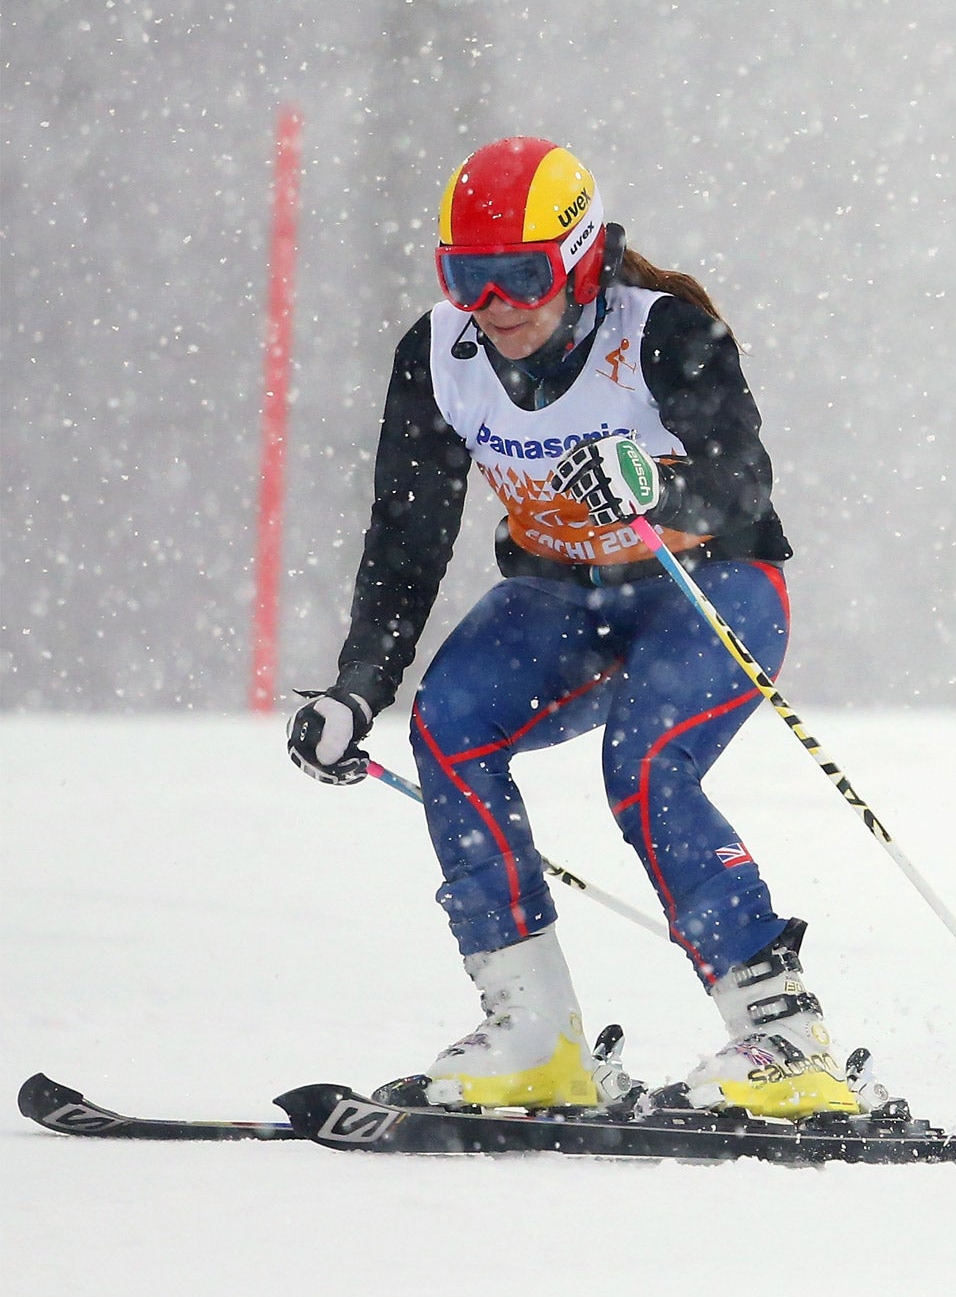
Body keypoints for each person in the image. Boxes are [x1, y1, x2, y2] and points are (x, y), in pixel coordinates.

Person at [286, 135, 878, 1119]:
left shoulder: (662, 331)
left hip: (709, 589)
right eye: (466, 278)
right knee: (448, 723)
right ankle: (532, 1033)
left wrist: (650, 482)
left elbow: (744, 482)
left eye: (522, 274)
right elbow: (405, 540)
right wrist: (356, 688)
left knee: (642, 768)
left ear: (580, 256)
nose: (497, 304)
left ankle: (783, 1039)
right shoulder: (438, 355)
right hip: (567, 599)